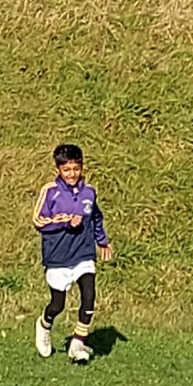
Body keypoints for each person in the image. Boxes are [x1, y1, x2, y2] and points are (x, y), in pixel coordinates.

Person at [33, 143, 113, 364]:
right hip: (58, 257)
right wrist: (66, 220)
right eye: (66, 169)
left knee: (89, 296)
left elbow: (96, 217)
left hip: (83, 254)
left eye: (76, 169)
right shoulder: (50, 192)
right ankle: (44, 324)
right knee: (58, 304)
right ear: (58, 169)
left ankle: (78, 343)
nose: (72, 174)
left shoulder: (89, 193)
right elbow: (38, 221)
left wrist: (102, 241)